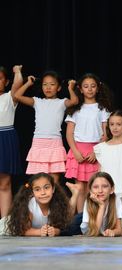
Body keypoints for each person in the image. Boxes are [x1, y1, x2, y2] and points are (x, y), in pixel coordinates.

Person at [14, 71, 78, 184]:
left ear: (58, 88)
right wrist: (28, 83)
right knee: (39, 181)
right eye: (45, 84)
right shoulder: (37, 101)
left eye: (52, 84)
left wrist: (70, 88)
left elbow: (74, 101)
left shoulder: (62, 102)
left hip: (55, 143)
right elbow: (17, 96)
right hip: (39, 143)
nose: (48, 87)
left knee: (54, 182)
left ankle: (54, 201)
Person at [65, 73, 113, 213]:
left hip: (96, 150)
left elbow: (106, 134)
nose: (90, 89)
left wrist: (96, 151)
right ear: (80, 89)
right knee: (79, 188)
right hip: (78, 150)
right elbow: (69, 134)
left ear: (98, 88)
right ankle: (81, 220)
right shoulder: (75, 109)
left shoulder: (102, 109)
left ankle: (93, 219)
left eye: (93, 86)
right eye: (86, 86)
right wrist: (75, 151)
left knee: (95, 186)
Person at [94, 110, 122, 235]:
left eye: (119, 124)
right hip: (105, 194)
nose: (115, 127)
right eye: (112, 124)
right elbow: (99, 173)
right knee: (104, 228)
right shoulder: (101, 147)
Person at [4, 172, 79, 236]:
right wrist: (39, 232)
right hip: (5, 229)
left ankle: (75, 193)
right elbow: (22, 230)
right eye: (37, 189)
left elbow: (67, 218)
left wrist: (56, 231)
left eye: (46, 188)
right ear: (32, 192)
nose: (43, 193)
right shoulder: (30, 205)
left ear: (53, 189)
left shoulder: (57, 203)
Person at [0, 65, 23, 218]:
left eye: (0, 79)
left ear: (6, 81)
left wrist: (17, 72)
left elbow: (18, 83)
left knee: (5, 183)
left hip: (5, 137)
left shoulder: (10, 97)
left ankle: (4, 224)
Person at [80, 172, 122, 237]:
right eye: (96, 187)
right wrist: (101, 206)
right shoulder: (88, 201)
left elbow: (119, 230)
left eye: (104, 186)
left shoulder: (116, 199)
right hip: (82, 225)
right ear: (90, 191)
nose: (100, 191)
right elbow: (94, 233)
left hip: (102, 227)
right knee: (71, 228)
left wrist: (113, 231)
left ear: (112, 189)